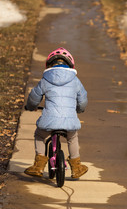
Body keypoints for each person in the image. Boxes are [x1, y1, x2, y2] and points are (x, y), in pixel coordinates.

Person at [24, 47, 88, 179]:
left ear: (49, 64)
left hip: (49, 121)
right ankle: (77, 167)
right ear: (70, 65)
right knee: (72, 137)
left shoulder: (45, 80)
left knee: (40, 136)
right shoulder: (75, 80)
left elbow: (34, 97)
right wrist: (79, 110)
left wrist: (31, 107)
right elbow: (82, 99)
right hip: (69, 121)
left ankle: (38, 166)